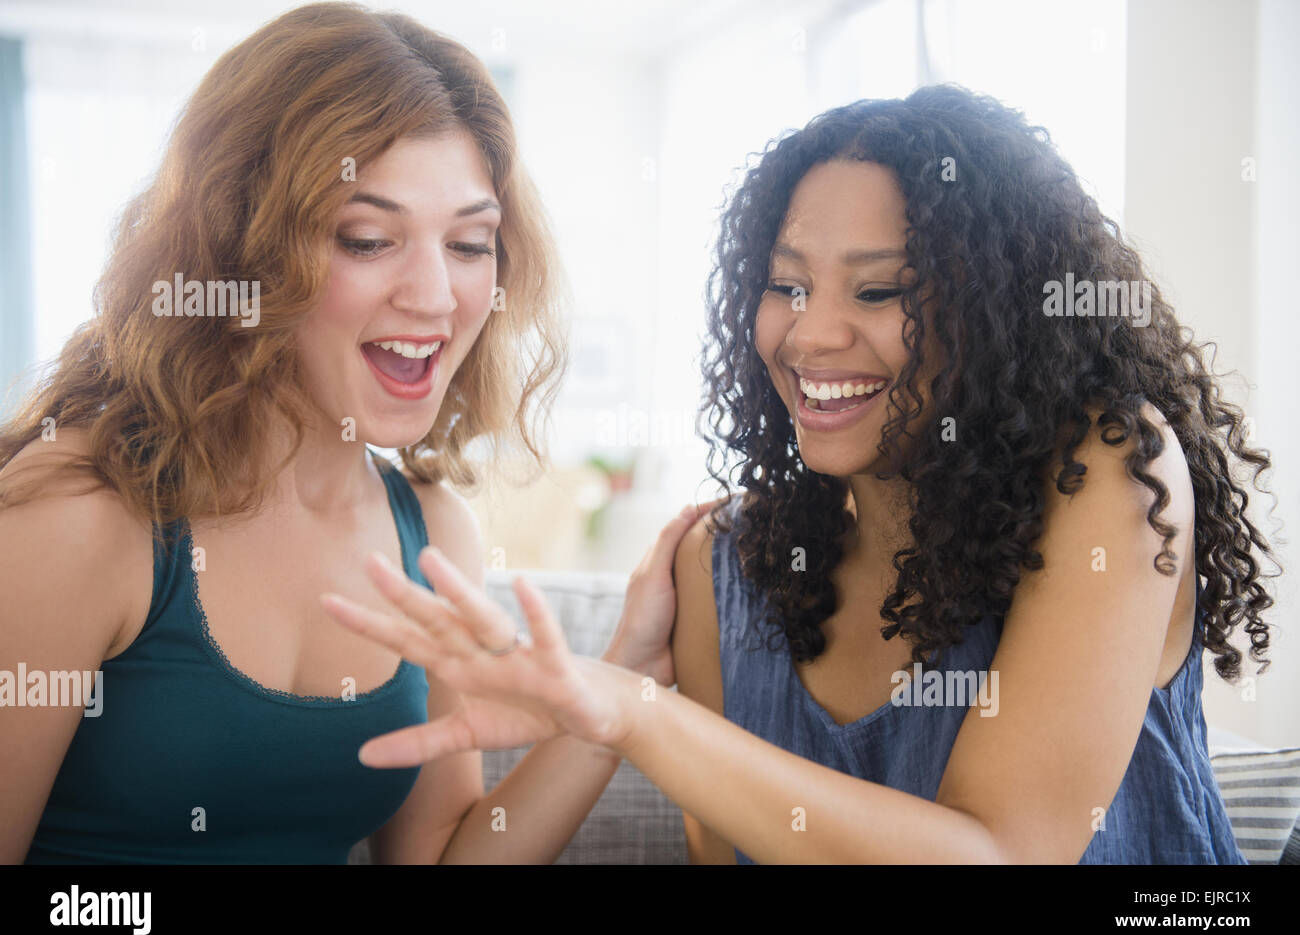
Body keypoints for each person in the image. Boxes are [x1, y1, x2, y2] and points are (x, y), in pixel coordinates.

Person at [331, 85, 1277, 864]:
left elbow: (1006, 854)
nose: (811, 333)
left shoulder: (1106, 473)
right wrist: (624, 687)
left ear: (1001, 317)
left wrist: (636, 712)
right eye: (786, 285)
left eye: (878, 291)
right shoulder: (721, 566)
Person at [0, 1, 702, 864]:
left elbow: (436, 858)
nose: (436, 295)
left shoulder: (433, 532)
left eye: (471, 243)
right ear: (240, 249)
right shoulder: (84, 513)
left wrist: (618, 684)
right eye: (368, 239)